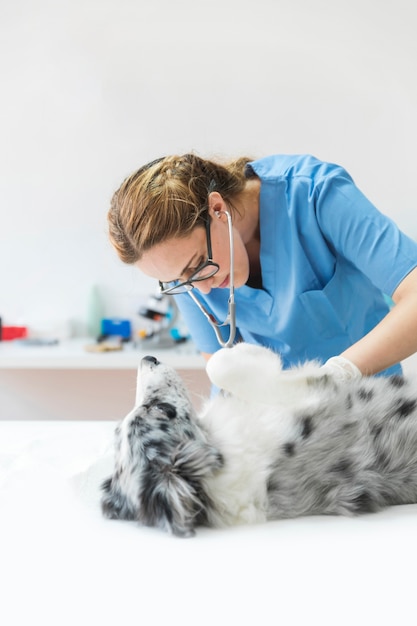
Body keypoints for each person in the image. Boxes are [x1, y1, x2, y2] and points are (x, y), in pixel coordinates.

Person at [108, 153, 417, 379]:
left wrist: (338, 375)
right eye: (180, 281)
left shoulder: (313, 194)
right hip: (271, 428)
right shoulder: (189, 279)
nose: (201, 288)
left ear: (217, 208)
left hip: (369, 410)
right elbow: (224, 371)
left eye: (199, 264)